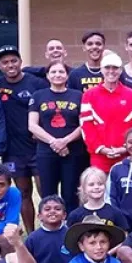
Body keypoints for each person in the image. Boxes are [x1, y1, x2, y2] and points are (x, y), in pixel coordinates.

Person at [0, 45, 47, 232]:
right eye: (5, 62)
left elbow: (52, 72)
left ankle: (49, 230)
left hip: (38, 147)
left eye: (14, 61)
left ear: (20, 62)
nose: (10, 65)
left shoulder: (36, 83)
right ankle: (31, 233)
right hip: (13, 151)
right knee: (23, 193)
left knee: (45, 192)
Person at [28, 59, 87, 213]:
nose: (57, 75)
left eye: (61, 71)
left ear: (67, 75)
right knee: (48, 193)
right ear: (47, 76)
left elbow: (85, 124)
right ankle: (50, 226)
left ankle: (70, 229)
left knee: (71, 193)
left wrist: (66, 141)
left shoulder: (78, 95)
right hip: (46, 152)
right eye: (53, 72)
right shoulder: (38, 95)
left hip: (73, 151)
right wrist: (54, 142)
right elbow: (32, 125)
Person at [80, 51, 132, 173]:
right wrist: (101, 149)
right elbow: (86, 126)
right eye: (107, 67)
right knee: (99, 191)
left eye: (115, 68)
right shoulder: (89, 95)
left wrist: (126, 148)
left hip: (127, 155)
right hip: (99, 157)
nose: (111, 71)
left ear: (120, 70)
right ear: (101, 70)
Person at [67, 166, 131, 229]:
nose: (96, 187)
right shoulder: (75, 216)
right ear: (83, 188)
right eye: (91, 184)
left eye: (100, 184)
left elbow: (124, 235)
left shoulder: (116, 213)